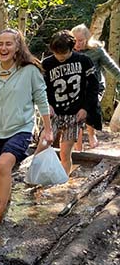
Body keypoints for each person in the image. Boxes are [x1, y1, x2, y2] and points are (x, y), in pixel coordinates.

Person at [0, 28, 52, 228]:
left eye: (9, 43)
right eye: (0, 44)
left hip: (21, 128)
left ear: (17, 47)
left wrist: (48, 130)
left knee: (3, 166)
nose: (3, 47)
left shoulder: (29, 70)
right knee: (1, 173)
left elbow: (41, 99)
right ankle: (4, 207)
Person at [42, 30, 100, 175]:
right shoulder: (47, 64)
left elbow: (93, 86)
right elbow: (39, 88)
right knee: (43, 145)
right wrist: (45, 105)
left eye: (64, 53)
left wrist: (86, 109)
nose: (60, 57)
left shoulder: (83, 61)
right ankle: (39, 175)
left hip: (74, 114)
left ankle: (62, 181)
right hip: (53, 113)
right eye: (57, 53)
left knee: (65, 152)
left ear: (72, 48)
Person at [71, 23, 120, 150]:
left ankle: (92, 136)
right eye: (75, 40)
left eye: (80, 40)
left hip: (95, 86)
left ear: (87, 38)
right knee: (77, 114)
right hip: (76, 88)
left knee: (89, 110)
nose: (78, 43)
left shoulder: (97, 51)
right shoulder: (69, 51)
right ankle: (78, 145)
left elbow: (112, 68)